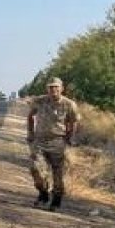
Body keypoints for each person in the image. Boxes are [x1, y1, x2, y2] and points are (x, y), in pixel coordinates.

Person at [27, 77, 80, 211]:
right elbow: (30, 116)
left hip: (57, 142)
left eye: (56, 87)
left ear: (62, 88)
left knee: (57, 174)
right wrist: (30, 133)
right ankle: (43, 193)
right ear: (47, 89)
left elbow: (73, 122)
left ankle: (56, 200)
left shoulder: (69, 104)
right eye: (50, 87)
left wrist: (70, 137)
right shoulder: (40, 101)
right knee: (35, 169)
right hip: (40, 141)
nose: (53, 90)